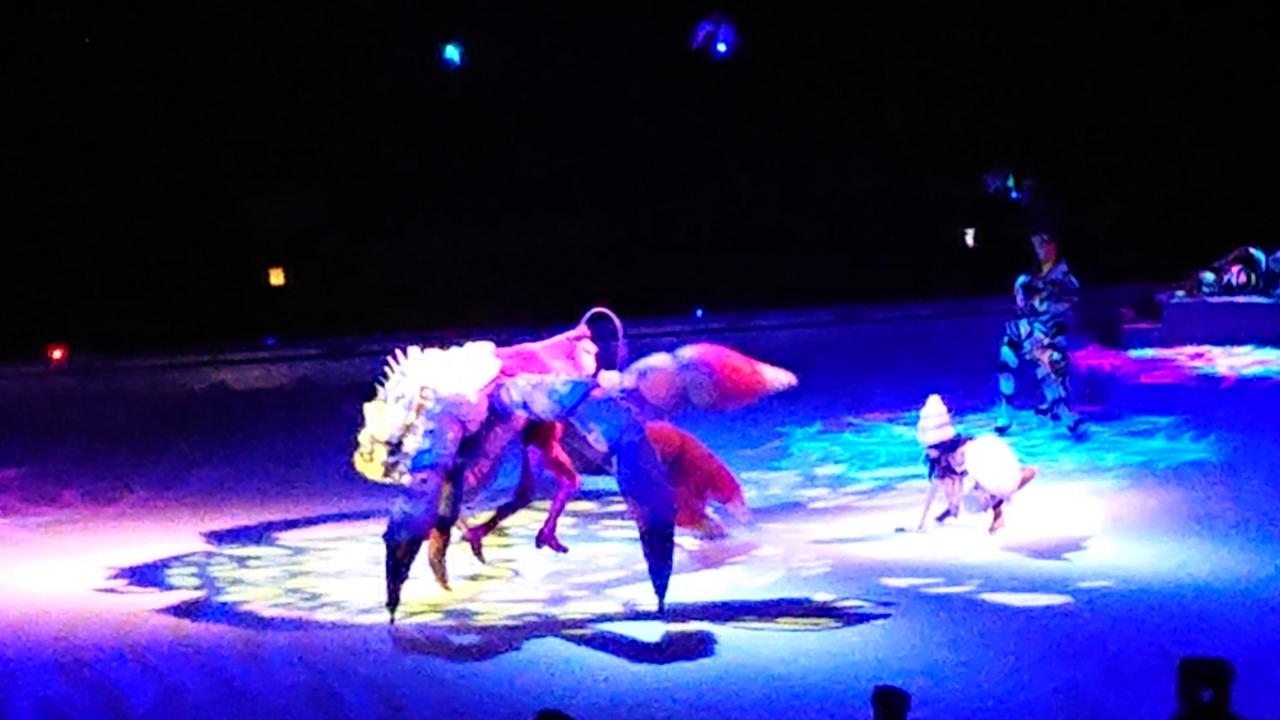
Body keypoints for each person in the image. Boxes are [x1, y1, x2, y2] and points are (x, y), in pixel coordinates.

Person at [995, 231, 1084, 437]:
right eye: (1036, 245)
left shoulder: (1064, 277)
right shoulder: (1027, 278)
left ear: (1053, 246)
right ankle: (1006, 411)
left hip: (1052, 330)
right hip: (1029, 327)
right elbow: (1022, 306)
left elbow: (1068, 305)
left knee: (1048, 362)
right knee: (1006, 354)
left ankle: (1063, 412)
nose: (1039, 249)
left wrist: (1046, 324)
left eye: (1043, 244)